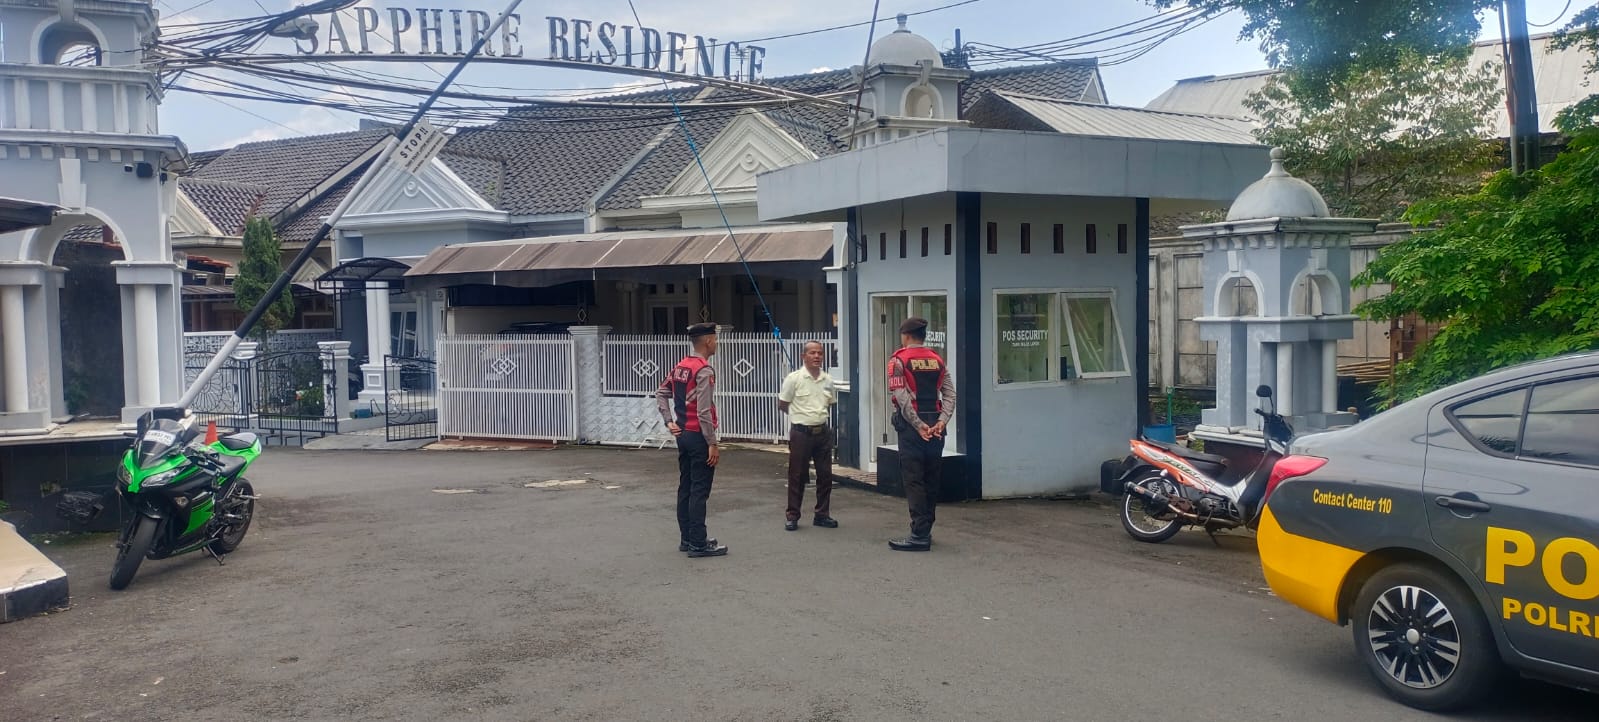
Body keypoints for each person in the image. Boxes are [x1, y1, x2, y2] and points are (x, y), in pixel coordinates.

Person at [656, 322, 728, 557]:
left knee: (685, 487)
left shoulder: (681, 366)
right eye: (715, 339)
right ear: (708, 341)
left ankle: (687, 538)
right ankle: (699, 543)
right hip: (698, 437)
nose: (716, 343)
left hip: (683, 435)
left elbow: (661, 393)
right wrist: (712, 443)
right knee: (699, 490)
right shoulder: (703, 370)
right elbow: (704, 412)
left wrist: (669, 421)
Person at [885, 317, 956, 551]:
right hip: (936, 427)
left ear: (905, 336)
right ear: (923, 336)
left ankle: (919, 535)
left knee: (914, 479)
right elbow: (950, 395)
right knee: (931, 478)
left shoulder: (898, 361)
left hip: (912, 428)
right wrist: (941, 422)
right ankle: (926, 529)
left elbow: (902, 398)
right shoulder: (937, 360)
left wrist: (918, 425)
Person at [777, 340, 839, 531]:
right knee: (797, 475)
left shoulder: (828, 380)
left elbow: (830, 403)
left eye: (820, 353)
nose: (817, 356)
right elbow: (783, 404)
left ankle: (822, 514)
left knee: (825, 476)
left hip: (822, 433)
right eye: (812, 353)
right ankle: (792, 515)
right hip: (801, 434)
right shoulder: (794, 379)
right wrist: (800, 416)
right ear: (803, 356)